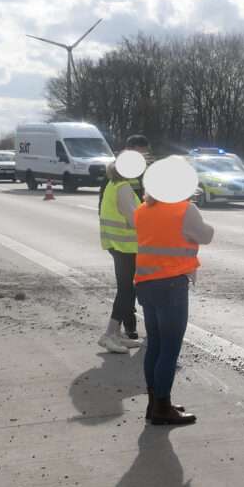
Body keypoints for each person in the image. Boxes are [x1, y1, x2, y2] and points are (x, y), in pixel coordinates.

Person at [134, 157, 213, 426]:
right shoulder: (184, 209)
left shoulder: (143, 209)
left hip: (145, 283)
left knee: (155, 345)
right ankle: (162, 407)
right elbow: (205, 235)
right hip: (171, 285)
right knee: (170, 348)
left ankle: (155, 402)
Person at [97, 134, 151, 354]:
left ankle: (117, 333)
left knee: (126, 290)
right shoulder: (124, 188)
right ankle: (109, 333)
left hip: (119, 245)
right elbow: (135, 219)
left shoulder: (115, 182)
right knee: (127, 291)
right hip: (126, 247)